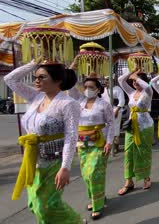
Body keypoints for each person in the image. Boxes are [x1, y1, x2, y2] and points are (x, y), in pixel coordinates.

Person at [5, 60, 83, 223]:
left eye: (42, 77)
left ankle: (75, 221)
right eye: (36, 77)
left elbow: (71, 136)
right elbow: (10, 79)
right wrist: (34, 64)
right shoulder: (35, 97)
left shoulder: (68, 104)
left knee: (46, 206)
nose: (36, 81)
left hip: (54, 161)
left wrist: (65, 167)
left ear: (57, 80)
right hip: (33, 159)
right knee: (34, 204)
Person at [68, 72, 113, 220]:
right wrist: (72, 68)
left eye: (91, 86)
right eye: (85, 86)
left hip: (98, 143)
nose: (87, 89)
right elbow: (70, 84)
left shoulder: (104, 104)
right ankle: (97, 197)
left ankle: (98, 205)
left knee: (95, 173)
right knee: (86, 174)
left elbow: (111, 123)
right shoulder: (79, 101)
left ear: (98, 89)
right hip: (82, 143)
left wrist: (109, 141)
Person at [118, 70, 154, 195]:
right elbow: (120, 80)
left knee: (143, 152)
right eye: (133, 81)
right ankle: (129, 181)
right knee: (128, 153)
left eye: (136, 81)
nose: (134, 83)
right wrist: (132, 72)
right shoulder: (131, 93)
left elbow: (148, 86)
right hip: (131, 126)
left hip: (145, 127)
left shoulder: (148, 92)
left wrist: (138, 78)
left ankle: (146, 177)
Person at [102, 75, 125, 155]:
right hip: (105, 112)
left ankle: (116, 147)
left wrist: (117, 111)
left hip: (116, 111)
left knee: (115, 129)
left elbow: (122, 101)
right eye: (105, 80)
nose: (106, 81)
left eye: (108, 79)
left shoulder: (118, 89)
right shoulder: (104, 90)